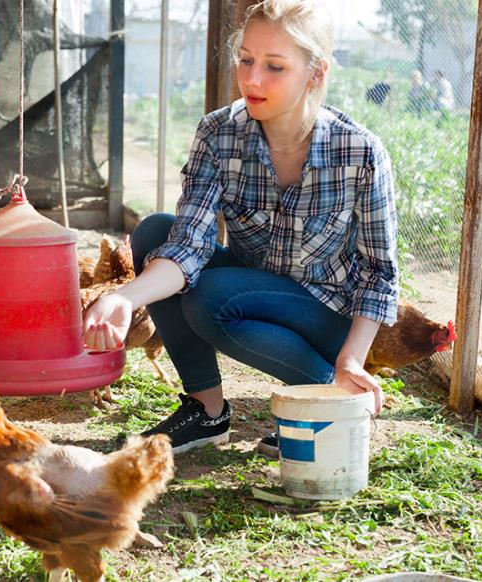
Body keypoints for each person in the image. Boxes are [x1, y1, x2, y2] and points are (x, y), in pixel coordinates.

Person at [82, 0, 399, 456]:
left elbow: (378, 273)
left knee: (212, 297)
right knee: (156, 233)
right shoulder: (219, 134)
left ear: (316, 73)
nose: (252, 79)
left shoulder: (361, 153)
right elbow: (187, 245)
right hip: (250, 287)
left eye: (274, 66)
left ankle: (328, 393)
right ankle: (206, 411)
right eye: (246, 59)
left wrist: (351, 357)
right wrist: (121, 298)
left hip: (323, 314)